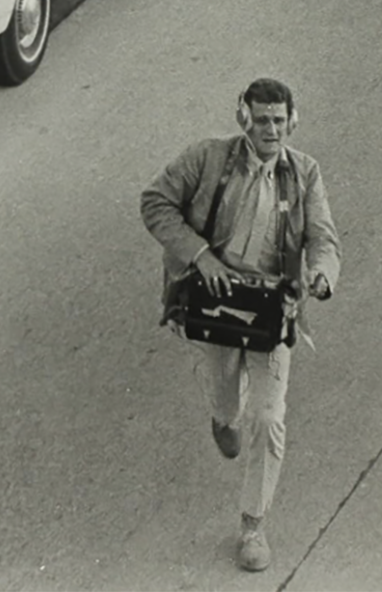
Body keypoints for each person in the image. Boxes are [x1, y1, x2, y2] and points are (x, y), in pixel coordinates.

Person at [140, 78, 341, 571]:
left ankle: (253, 527)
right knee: (228, 404)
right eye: (262, 119)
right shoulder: (208, 159)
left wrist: (321, 276)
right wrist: (201, 256)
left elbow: (323, 239)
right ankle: (222, 416)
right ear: (243, 117)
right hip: (216, 307)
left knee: (269, 418)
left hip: (273, 315)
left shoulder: (306, 174)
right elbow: (155, 202)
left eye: (279, 120)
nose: (270, 130)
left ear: (292, 122)